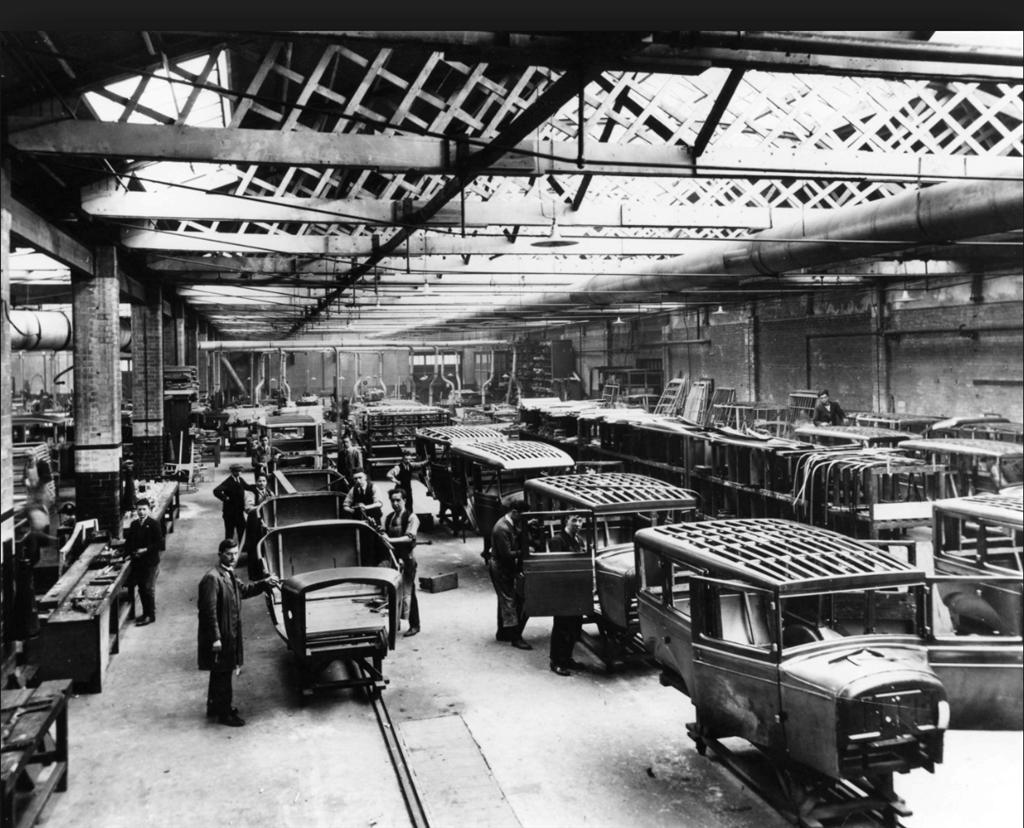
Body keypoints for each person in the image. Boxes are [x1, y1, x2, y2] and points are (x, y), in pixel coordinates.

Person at [197, 539, 279, 727]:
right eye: (229, 554)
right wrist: (216, 638)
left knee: (220, 672)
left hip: (230, 631)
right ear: (220, 555)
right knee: (224, 673)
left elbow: (245, 590)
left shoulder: (228, 574)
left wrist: (265, 583)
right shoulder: (213, 578)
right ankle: (225, 714)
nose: (233, 557)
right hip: (222, 634)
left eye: (235, 553)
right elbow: (208, 612)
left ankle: (215, 707)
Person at [486, 498, 531, 650]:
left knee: (504, 599)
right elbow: (507, 554)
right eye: (522, 516)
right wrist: (525, 551)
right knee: (509, 600)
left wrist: (525, 527)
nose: (523, 519)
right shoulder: (501, 529)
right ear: (514, 512)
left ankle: (502, 632)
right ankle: (515, 637)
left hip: (503, 566)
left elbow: (514, 533)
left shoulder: (508, 523)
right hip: (500, 567)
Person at [547, 514, 587, 676]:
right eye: (574, 520)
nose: (578, 524)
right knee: (562, 626)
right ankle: (556, 661)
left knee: (573, 627)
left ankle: (567, 658)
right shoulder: (557, 540)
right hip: (563, 591)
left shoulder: (579, 540)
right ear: (566, 522)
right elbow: (557, 567)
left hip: (576, 591)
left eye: (580, 521)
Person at [384, 488, 421, 637]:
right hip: (394, 559)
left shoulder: (412, 518)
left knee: (408, 591)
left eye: (398, 500)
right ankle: (396, 623)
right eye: (392, 500)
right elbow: (385, 534)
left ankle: (415, 625)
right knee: (393, 591)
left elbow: (409, 538)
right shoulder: (389, 518)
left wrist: (390, 540)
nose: (395, 503)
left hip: (408, 560)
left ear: (404, 500)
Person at [123, 499, 166, 627]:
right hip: (139, 561)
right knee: (142, 588)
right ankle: (145, 613)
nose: (141, 512)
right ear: (136, 510)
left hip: (150, 562)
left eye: (144, 509)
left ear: (149, 510)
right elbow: (129, 542)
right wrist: (126, 554)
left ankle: (150, 615)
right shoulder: (134, 524)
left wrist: (145, 550)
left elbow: (160, 543)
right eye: (139, 509)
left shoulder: (153, 524)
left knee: (148, 588)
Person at [212, 463, 257, 543]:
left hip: (239, 512)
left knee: (242, 530)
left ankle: (242, 549)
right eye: (237, 471)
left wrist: (257, 487)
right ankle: (227, 547)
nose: (239, 473)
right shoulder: (228, 481)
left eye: (240, 471)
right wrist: (225, 498)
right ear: (232, 472)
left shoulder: (240, 479)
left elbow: (247, 487)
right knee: (230, 532)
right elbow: (216, 491)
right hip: (229, 513)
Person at [386, 447, 428, 512]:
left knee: (409, 504)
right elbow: (389, 474)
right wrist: (395, 481)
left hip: (408, 489)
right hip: (400, 489)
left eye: (409, 459)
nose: (408, 461)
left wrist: (427, 460)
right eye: (406, 459)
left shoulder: (410, 465)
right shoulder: (398, 467)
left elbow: (420, 464)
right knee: (400, 505)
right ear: (403, 459)